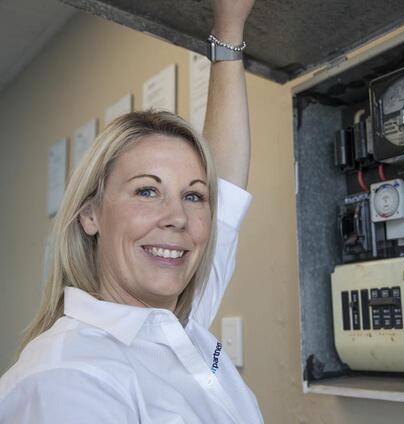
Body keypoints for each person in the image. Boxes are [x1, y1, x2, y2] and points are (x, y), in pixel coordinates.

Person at [0, 0, 263, 422]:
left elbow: (225, 187)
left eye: (192, 196)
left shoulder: (175, 322)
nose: (176, 216)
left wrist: (229, 26)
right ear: (90, 214)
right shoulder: (68, 380)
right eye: (146, 191)